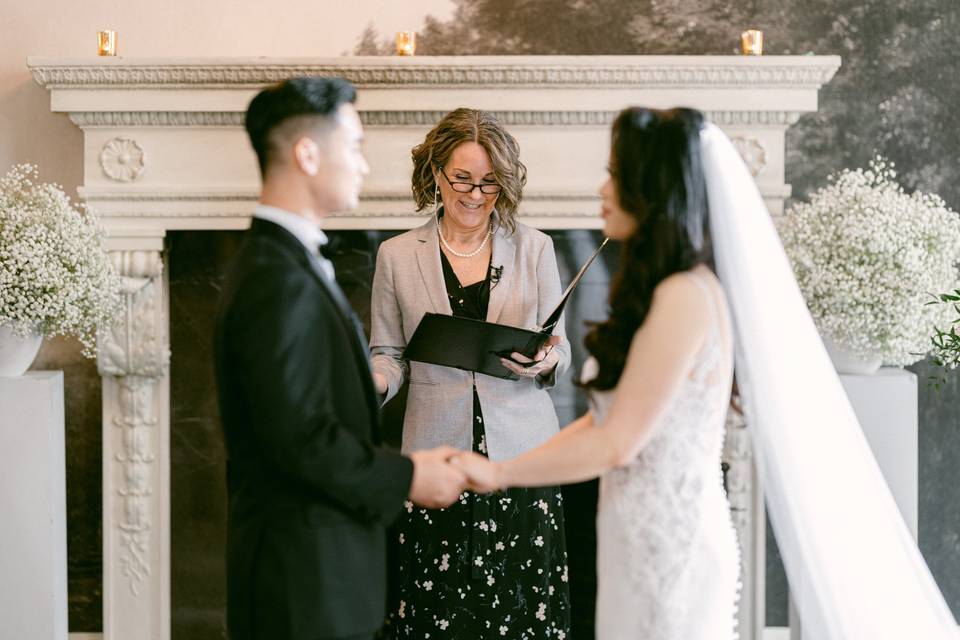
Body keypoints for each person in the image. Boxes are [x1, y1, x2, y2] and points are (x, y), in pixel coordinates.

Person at [454, 107, 740, 640]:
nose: (603, 187)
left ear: (652, 187)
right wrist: (498, 469)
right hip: (634, 535)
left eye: (615, 173)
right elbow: (605, 420)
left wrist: (497, 474)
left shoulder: (686, 294)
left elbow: (616, 442)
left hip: (669, 549)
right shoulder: (666, 289)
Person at [213, 77, 467, 640]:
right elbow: (299, 440)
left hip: (316, 571)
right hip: (299, 583)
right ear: (307, 153)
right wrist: (408, 475)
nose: (363, 165)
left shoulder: (284, 262)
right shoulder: (275, 278)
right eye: (353, 146)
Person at [369, 108, 572, 638]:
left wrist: (545, 359)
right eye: (463, 179)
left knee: (523, 613)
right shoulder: (395, 255)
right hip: (436, 455)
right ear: (436, 174)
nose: (476, 195)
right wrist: (374, 382)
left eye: (489, 183)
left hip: (522, 454)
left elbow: (559, 346)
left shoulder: (536, 247)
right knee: (438, 612)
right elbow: (388, 350)